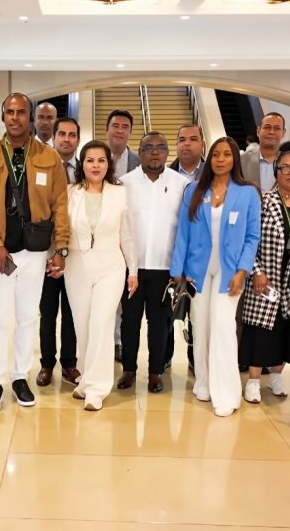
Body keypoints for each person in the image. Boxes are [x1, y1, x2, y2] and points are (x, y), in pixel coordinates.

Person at [0, 92, 70, 414]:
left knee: (28, 317)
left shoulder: (49, 158)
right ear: (3, 117)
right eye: (10, 112)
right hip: (0, 252)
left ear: (30, 117)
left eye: (21, 112)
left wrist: (62, 247)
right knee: (0, 318)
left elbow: (60, 204)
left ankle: (19, 377)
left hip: (35, 250)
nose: (15, 117)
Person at [171, 136, 261, 417]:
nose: (220, 159)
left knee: (222, 328)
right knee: (201, 326)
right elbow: (183, 234)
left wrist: (242, 271)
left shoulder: (248, 193)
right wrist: (178, 272)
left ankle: (227, 392)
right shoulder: (194, 191)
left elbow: (252, 237)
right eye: (216, 155)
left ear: (235, 159)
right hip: (198, 270)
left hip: (229, 271)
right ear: (209, 160)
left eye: (226, 154)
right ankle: (204, 383)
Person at [64, 140, 138, 411]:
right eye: (90, 160)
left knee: (101, 323)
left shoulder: (120, 193)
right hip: (76, 265)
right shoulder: (70, 192)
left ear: (109, 164)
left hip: (111, 265)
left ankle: (97, 389)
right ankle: (86, 379)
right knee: (82, 324)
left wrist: (134, 269)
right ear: (81, 165)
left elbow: (128, 234)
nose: (95, 165)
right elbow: (61, 229)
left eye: (101, 160)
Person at [241, 146, 290, 403]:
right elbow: (250, 241)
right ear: (277, 171)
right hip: (268, 277)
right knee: (261, 330)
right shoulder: (264, 200)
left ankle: (276, 375)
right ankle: (253, 380)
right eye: (285, 167)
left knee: (288, 329)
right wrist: (257, 272)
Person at [119, 132, 189, 392]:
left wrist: (180, 268)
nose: (155, 152)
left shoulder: (181, 184)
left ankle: (155, 373)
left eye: (161, 147)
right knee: (130, 322)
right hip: (132, 269)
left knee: (159, 325)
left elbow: (185, 228)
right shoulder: (124, 183)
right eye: (149, 147)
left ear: (168, 151)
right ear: (140, 151)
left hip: (165, 268)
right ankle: (128, 370)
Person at [36, 117, 81, 387]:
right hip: (45, 253)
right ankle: (46, 364)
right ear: (53, 137)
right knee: (47, 312)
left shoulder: (85, 171)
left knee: (72, 312)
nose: (66, 139)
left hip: (75, 254)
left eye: (72, 135)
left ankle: (70, 364)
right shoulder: (42, 167)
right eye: (61, 134)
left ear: (77, 139)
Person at [167, 123, 207, 372]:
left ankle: (195, 358)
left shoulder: (212, 174)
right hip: (171, 252)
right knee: (168, 309)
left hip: (202, 257)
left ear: (202, 144)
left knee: (198, 311)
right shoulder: (166, 173)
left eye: (193, 139)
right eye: (182, 139)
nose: (187, 144)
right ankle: (164, 356)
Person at [105, 108, 140, 362]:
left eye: (124, 126)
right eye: (115, 125)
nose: (119, 130)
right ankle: (105, 338)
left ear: (130, 131)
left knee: (124, 295)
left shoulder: (139, 162)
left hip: (129, 237)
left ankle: (118, 341)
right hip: (103, 238)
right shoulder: (96, 157)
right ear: (107, 129)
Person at [241, 112, 290, 192]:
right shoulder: (242, 160)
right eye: (267, 127)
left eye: (277, 128)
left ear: (283, 132)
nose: (271, 132)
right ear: (258, 131)